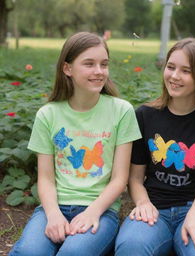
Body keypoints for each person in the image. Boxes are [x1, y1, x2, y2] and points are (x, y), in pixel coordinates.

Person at [9, 32, 141, 256]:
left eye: (104, 64)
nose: (99, 71)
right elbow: (46, 178)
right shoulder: (48, 114)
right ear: (67, 69)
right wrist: (52, 215)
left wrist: (93, 212)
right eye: (89, 64)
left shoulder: (121, 111)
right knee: (30, 252)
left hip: (101, 210)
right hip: (53, 207)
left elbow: (120, 179)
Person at [115, 38, 195, 256]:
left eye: (186, 71)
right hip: (153, 209)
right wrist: (142, 203)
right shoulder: (145, 115)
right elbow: (134, 178)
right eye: (171, 67)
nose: (174, 76)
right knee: (131, 247)